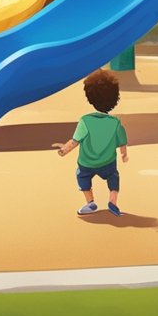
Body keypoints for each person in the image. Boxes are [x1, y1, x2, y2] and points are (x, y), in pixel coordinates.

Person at [55, 70, 128, 216]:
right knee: (113, 176)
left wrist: (63, 150)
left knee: (82, 177)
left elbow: (75, 141)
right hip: (108, 161)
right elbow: (122, 142)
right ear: (114, 98)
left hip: (87, 163)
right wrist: (124, 154)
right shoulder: (115, 122)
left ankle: (90, 202)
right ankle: (113, 201)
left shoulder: (85, 121)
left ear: (90, 97)